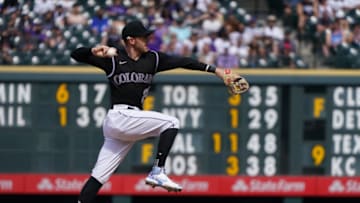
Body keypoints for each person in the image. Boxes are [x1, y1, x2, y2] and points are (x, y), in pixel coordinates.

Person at [71, 20, 228, 203]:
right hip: (119, 116)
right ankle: (158, 171)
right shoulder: (113, 58)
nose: (148, 39)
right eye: (143, 37)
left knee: (98, 178)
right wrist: (93, 50)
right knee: (172, 122)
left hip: (125, 125)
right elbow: (75, 54)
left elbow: (184, 62)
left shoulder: (153, 59)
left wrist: (216, 71)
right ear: (131, 40)